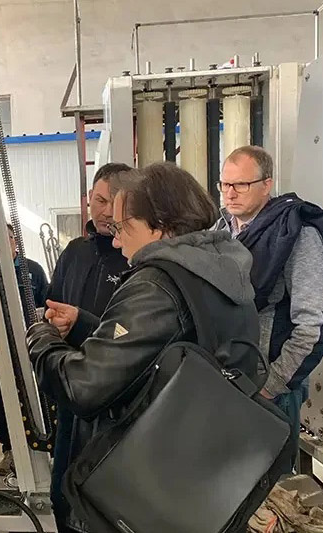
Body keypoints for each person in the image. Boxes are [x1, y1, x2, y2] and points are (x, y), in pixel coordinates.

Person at [26, 162, 260, 533]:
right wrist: (87, 326)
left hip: (143, 490)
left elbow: (83, 386)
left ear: (159, 226)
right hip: (203, 479)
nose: (116, 242)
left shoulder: (156, 283)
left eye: (123, 228)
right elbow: (167, 350)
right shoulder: (221, 270)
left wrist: (40, 338)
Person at [213, 146, 323, 466]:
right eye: (225, 184)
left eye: (241, 184)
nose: (230, 193)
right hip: (225, 384)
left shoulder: (295, 234)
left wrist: (271, 385)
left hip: (269, 391)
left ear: (267, 184)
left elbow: (316, 324)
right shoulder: (219, 233)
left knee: (274, 486)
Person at [44, 162, 130, 533]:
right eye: (99, 200)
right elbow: (51, 303)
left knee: (101, 497)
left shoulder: (134, 258)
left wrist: (81, 323)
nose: (105, 211)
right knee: (62, 490)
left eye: (114, 202)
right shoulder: (75, 252)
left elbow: (129, 337)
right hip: (72, 390)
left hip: (114, 401)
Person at [0, 223, 48, 473]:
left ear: (16, 241)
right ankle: (9, 451)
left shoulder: (32, 270)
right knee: (2, 398)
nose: (4, 245)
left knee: (35, 395)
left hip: (29, 346)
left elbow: (44, 305)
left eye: (9, 239)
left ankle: (42, 445)